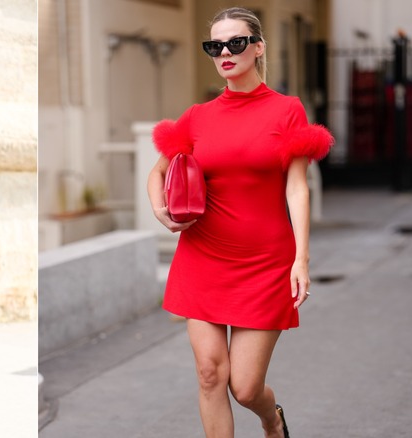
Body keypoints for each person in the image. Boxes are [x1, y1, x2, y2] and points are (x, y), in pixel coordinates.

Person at [146, 7, 332, 438]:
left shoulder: (288, 110)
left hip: (265, 263)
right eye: (215, 46)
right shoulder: (198, 116)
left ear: (258, 47)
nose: (225, 52)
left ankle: (272, 418)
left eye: (236, 42)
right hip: (203, 258)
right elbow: (158, 173)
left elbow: (297, 188)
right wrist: (162, 212)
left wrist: (301, 259)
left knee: (245, 387)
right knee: (210, 375)